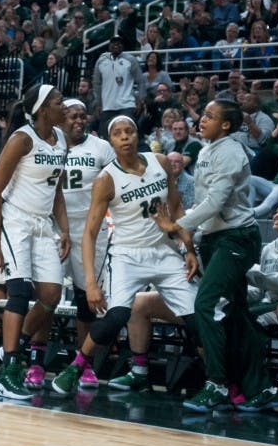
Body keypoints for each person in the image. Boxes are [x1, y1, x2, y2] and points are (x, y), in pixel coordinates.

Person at [50, 115, 198, 396]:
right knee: (116, 315)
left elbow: (176, 207)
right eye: (118, 133)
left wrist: (188, 247)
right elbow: (91, 234)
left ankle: (220, 382)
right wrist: (91, 282)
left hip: (164, 251)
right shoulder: (105, 179)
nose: (125, 136)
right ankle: (77, 366)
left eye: (129, 131)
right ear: (112, 142)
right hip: (126, 254)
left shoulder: (160, 162)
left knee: (197, 318)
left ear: (136, 134)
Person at [154, 100, 271, 412]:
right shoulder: (206, 150)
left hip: (237, 237)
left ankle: (216, 383)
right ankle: (260, 387)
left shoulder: (231, 151)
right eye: (203, 114)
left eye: (210, 116)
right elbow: (205, 205)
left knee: (205, 304)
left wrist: (176, 225)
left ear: (227, 126)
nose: (201, 119)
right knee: (236, 314)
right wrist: (194, 238)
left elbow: (216, 202)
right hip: (216, 238)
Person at [0, 84, 69, 398]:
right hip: (15, 221)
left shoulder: (60, 139)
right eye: (59, 102)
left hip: (43, 225)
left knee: (51, 294)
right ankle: (8, 370)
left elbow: (56, 189)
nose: (65, 106)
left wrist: (65, 231)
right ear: (44, 109)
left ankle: (14, 345)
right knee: (19, 291)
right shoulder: (22, 139)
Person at [60, 99, 116, 346]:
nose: (80, 121)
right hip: (57, 228)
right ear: (61, 118)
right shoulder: (50, 145)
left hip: (90, 228)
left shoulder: (101, 147)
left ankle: (85, 362)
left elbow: (116, 187)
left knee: (88, 297)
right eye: (73, 116)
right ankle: (36, 356)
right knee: (48, 292)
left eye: (83, 116)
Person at [92, 36, 143, 139]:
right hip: (107, 106)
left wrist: (140, 100)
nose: (116, 45)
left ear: (123, 46)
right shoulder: (101, 61)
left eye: (119, 43)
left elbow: (141, 81)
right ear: (109, 45)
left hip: (127, 105)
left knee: (128, 135)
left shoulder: (130, 60)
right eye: (113, 43)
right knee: (105, 137)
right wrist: (98, 103)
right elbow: (96, 83)